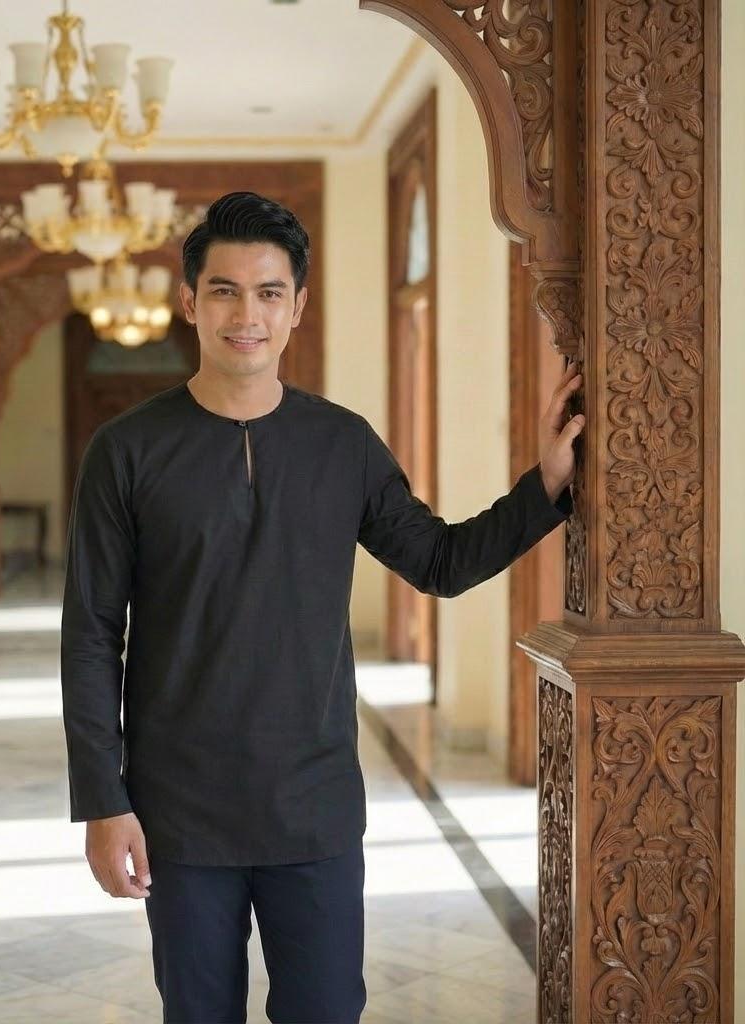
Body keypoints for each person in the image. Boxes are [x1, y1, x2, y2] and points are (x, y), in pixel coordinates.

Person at [60, 191, 583, 1023]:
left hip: (314, 801)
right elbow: (91, 634)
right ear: (190, 301)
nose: (247, 315)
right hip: (179, 805)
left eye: (269, 293)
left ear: (297, 307)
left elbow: (439, 562)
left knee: (328, 1011)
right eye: (225, 291)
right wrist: (103, 800)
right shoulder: (126, 451)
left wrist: (546, 485)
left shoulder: (344, 445)